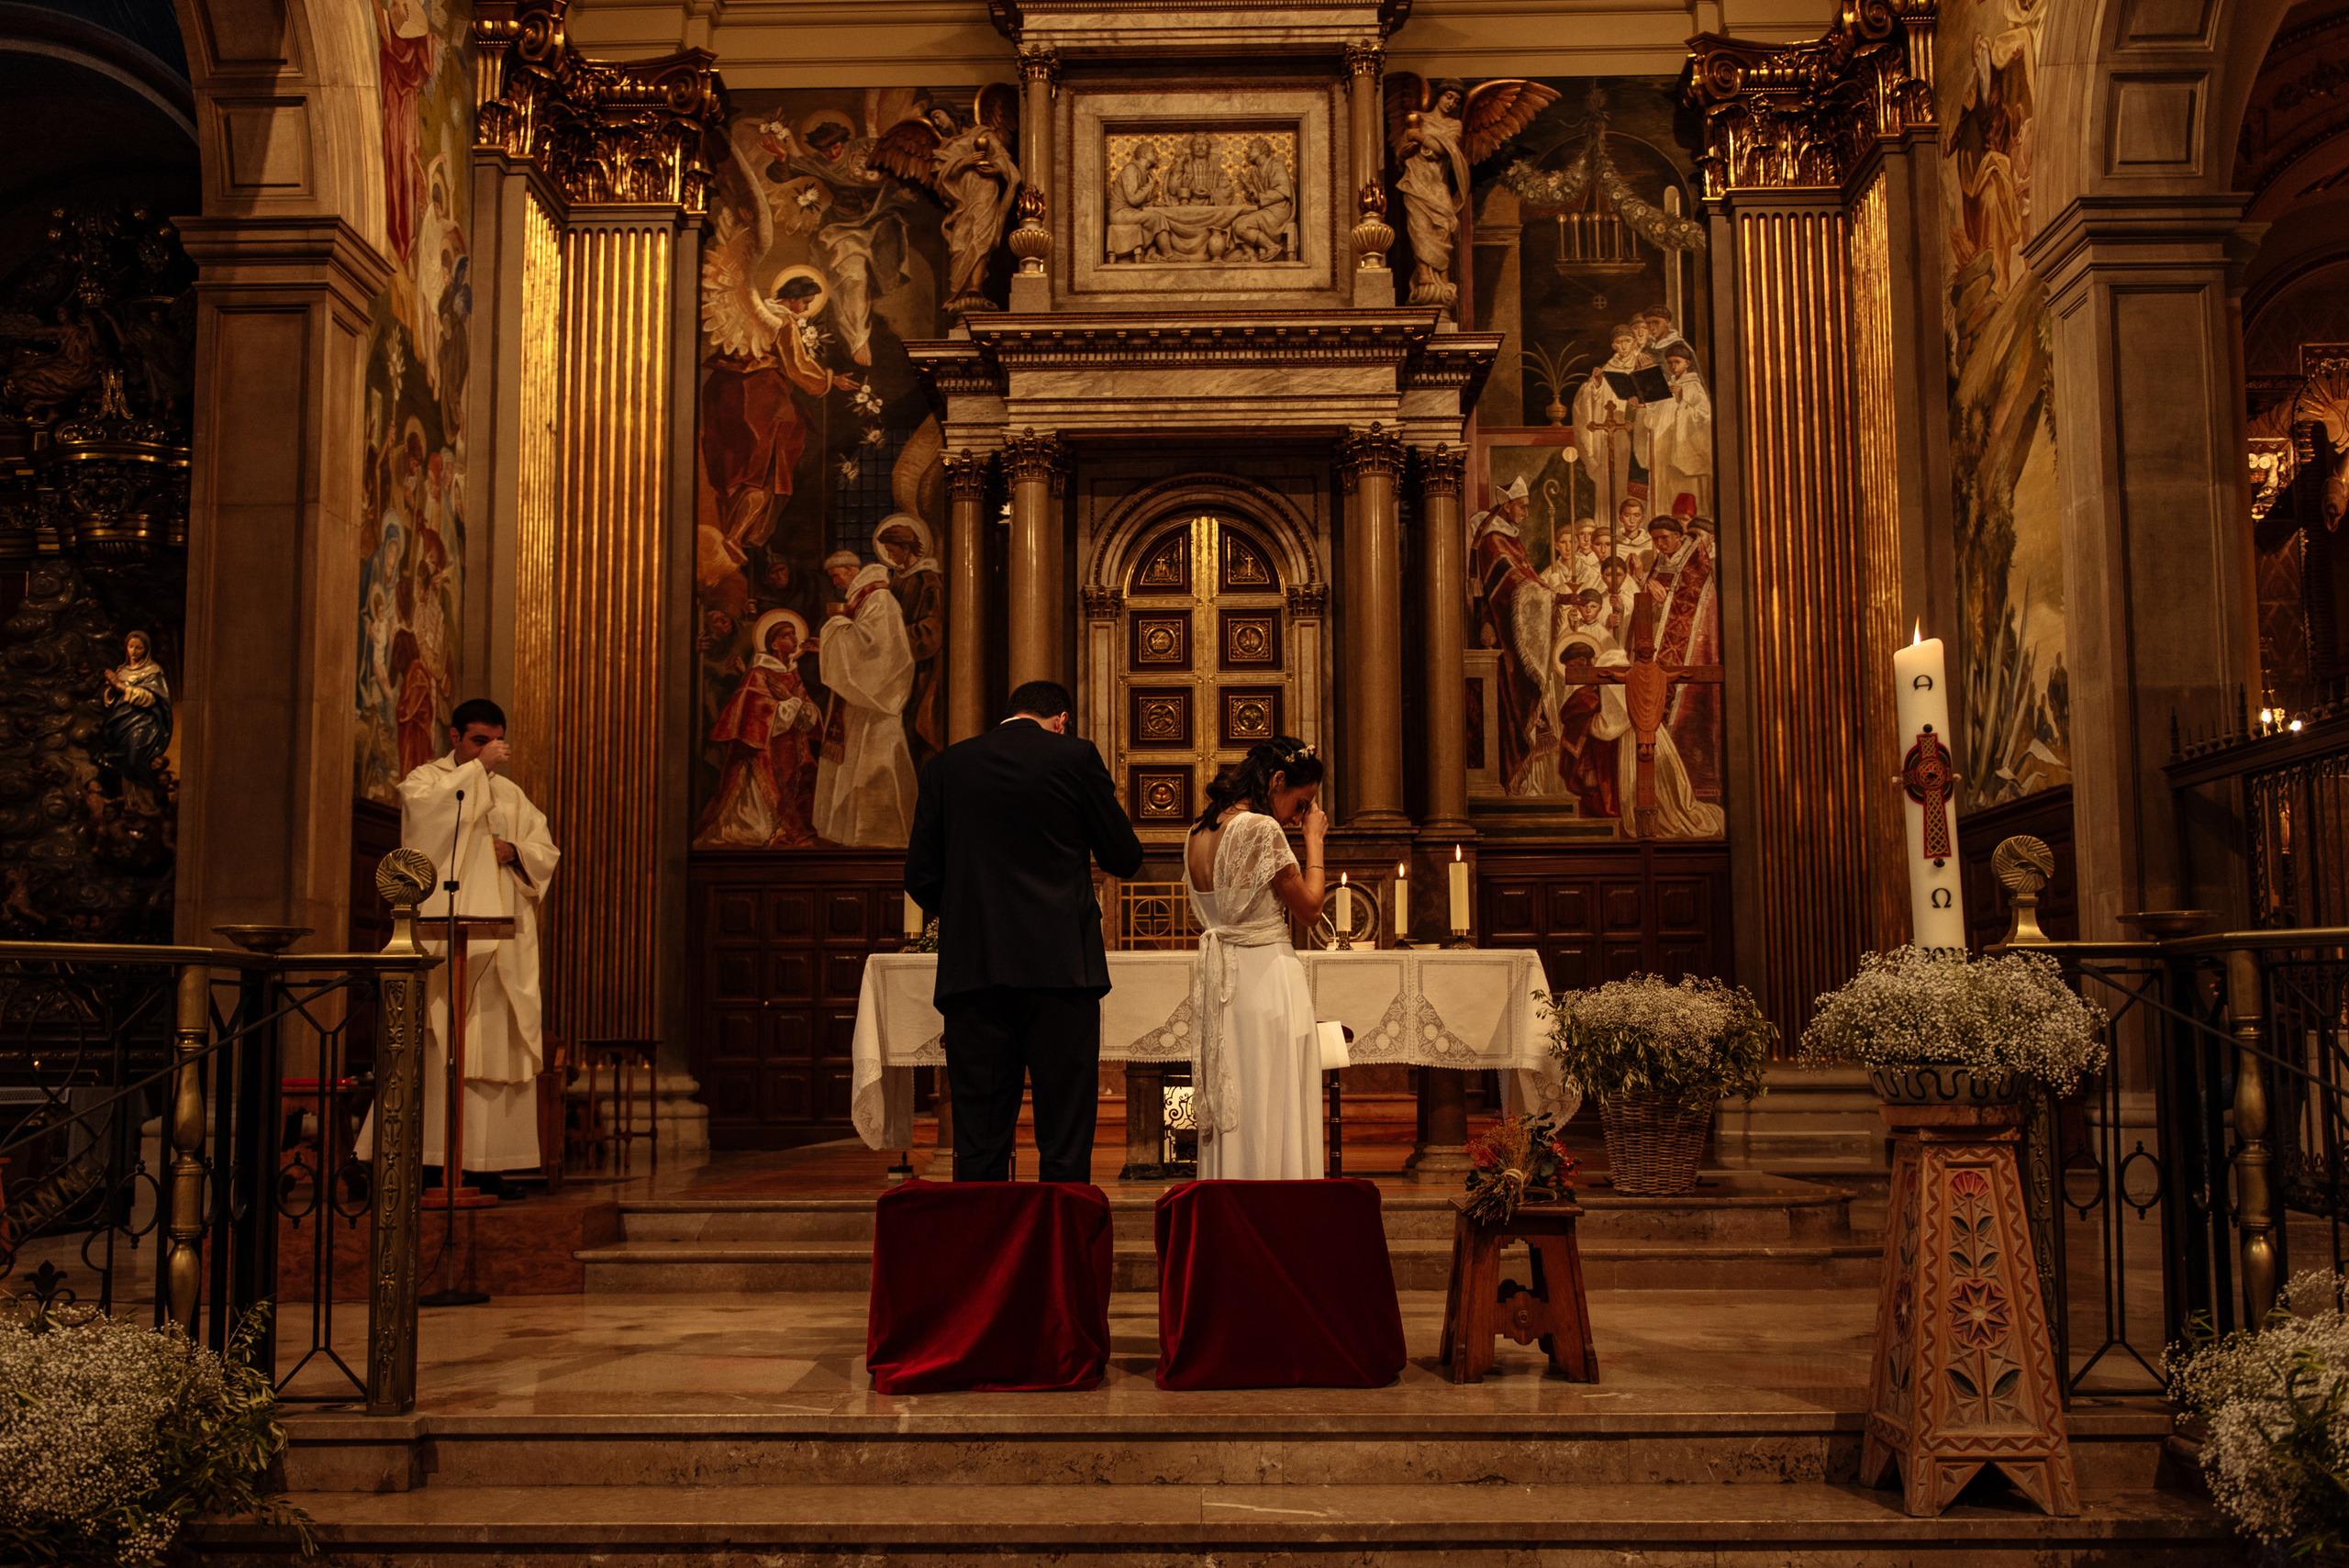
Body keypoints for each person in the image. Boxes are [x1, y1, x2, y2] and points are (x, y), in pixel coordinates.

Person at [904, 681, 1145, 1182]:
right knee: (1064, 1136)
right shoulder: (1075, 757)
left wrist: (971, 915)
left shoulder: (945, 767)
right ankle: (1060, 1249)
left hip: (975, 971)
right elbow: (1124, 856)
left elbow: (921, 877)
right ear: (1061, 719)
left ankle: (987, 1248)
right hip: (1061, 971)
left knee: (981, 1139)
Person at [357, 699, 561, 1195]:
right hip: (444, 940)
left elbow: (544, 850)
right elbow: (423, 825)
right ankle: (429, 1161)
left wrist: (514, 852)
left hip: (501, 947)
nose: (490, 750)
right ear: (455, 737)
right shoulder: (427, 781)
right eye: (479, 741)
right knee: (438, 1041)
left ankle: (488, 1163)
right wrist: (474, 773)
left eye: (496, 740)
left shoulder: (512, 795)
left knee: (493, 1048)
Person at [1185, 738, 1329, 1179]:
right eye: (1302, 804)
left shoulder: (1197, 832)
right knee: (1270, 1096)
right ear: (1278, 780)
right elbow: (1309, 910)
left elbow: (1206, 919)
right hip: (1266, 981)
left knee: (1240, 1094)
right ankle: (1275, 1204)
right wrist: (1314, 840)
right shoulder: (1261, 830)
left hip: (1224, 988)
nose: (1301, 816)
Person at [813, 556, 918, 847]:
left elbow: (878, 651)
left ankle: (875, 834)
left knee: (874, 760)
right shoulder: (864, 598)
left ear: (851, 570)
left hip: (876, 702)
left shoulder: (879, 599)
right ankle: (846, 831)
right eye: (833, 578)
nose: (836, 583)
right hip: (859, 699)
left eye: (837, 576)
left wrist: (834, 627)